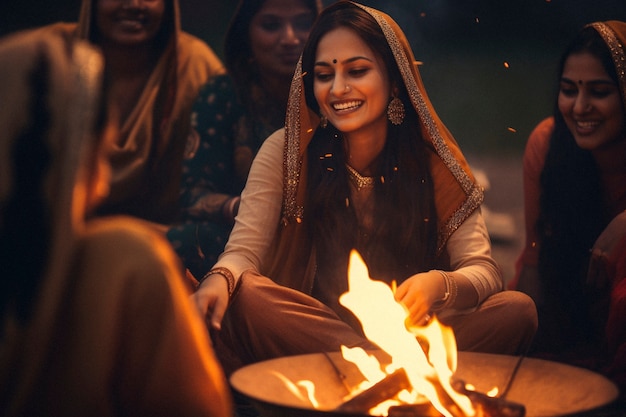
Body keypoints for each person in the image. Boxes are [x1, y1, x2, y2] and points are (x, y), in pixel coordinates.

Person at [193, 1, 538, 376]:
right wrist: (220, 278)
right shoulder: (288, 150)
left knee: (517, 311)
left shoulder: (432, 159)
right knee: (249, 295)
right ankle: (390, 372)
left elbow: (484, 271)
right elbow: (243, 253)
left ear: (393, 79)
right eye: (324, 75)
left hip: (418, 338)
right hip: (318, 335)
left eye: (357, 71)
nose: (339, 89)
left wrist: (439, 285)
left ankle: (373, 372)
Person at [0, 30, 232, 416]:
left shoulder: (197, 67)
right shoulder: (122, 263)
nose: (106, 184)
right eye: (103, 157)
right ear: (71, 156)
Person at [511, 21, 626, 397]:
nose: (579, 107)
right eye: (568, 90)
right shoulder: (547, 146)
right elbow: (533, 258)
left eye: (599, 91)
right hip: (572, 308)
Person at [33, 0, 225, 224]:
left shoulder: (194, 65)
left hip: (160, 241)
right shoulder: (51, 52)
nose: (134, 4)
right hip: (53, 230)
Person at [167, 0, 322, 278]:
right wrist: (253, 209)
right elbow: (192, 196)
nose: (290, 38)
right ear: (246, 35)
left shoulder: (333, 93)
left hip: (322, 232)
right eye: (271, 25)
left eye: (302, 23)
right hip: (241, 234)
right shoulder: (223, 95)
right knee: (184, 241)